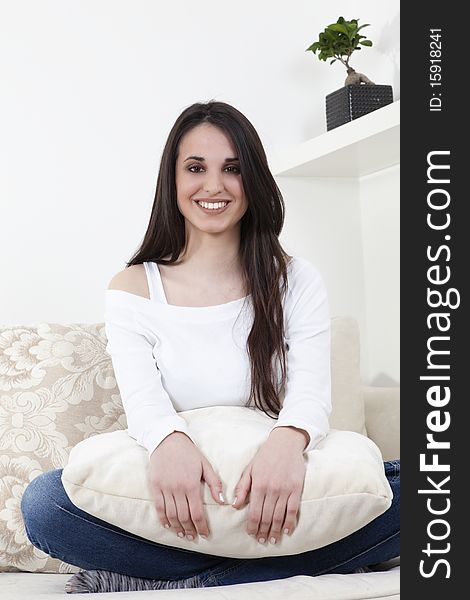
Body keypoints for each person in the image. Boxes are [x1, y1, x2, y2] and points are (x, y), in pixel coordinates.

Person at [20, 100, 400, 593]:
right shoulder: (133, 287)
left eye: (233, 169)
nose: (214, 186)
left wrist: (288, 443)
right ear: (172, 181)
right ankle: (277, 567)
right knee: (45, 505)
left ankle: (192, 577)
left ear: (254, 181)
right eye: (196, 168)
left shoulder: (296, 279)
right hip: (185, 496)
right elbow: (144, 401)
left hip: (282, 484)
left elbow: (309, 391)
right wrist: (167, 442)